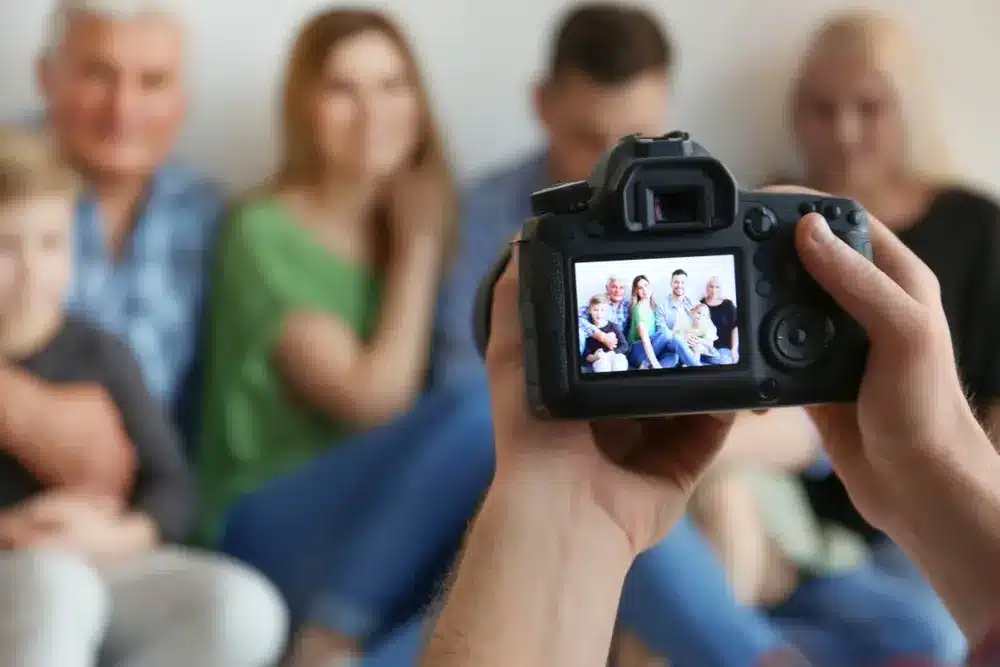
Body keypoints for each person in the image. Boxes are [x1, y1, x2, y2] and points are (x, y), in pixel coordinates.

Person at [419, 193, 1000, 667]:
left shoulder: (716, 308)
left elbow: (798, 430)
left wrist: (930, 469)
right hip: (713, 519)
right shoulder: (639, 317)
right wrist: (939, 477)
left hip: (800, 544)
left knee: (922, 635)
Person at [0, 3, 289, 665]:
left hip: (113, 539)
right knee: (54, 584)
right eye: (98, 74)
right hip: (24, 558)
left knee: (241, 609)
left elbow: (173, 478)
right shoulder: (7, 172)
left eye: (152, 81)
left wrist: (121, 534)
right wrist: (24, 406)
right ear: (46, 77)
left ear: (182, 98)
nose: (123, 108)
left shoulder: (214, 217)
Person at [196, 9, 459, 666]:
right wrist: (420, 250)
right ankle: (332, 631)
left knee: (513, 564)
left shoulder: (421, 226)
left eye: (393, 85)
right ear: (303, 106)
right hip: (266, 519)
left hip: (384, 522)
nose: (373, 111)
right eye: (344, 89)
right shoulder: (263, 233)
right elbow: (374, 400)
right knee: (477, 403)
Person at [701, 276, 738, 363]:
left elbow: (735, 328)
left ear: (721, 289)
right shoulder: (700, 304)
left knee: (724, 361)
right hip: (706, 348)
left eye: (717, 287)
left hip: (724, 348)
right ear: (707, 288)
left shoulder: (728, 305)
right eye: (711, 286)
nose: (714, 290)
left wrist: (734, 349)